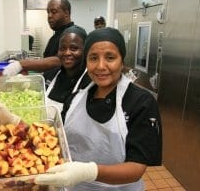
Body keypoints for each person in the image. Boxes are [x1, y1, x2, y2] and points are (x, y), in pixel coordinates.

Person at [34, 27, 162, 190]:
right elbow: (56, 138)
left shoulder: (140, 102)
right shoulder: (76, 98)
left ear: (122, 61)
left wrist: (88, 172)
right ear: (86, 62)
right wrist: (15, 123)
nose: (101, 66)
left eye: (110, 57)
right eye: (93, 58)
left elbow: (136, 168)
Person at [3, 0, 76, 75]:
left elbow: (59, 60)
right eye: (48, 12)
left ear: (66, 14)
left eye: (54, 12)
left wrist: (22, 64)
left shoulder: (73, 33)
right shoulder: (57, 34)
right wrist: (28, 64)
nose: (49, 16)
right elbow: (48, 61)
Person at [43, 25, 91, 112]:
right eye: (62, 48)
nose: (67, 53)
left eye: (74, 48)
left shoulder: (90, 82)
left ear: (85, 50)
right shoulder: (49, 76)